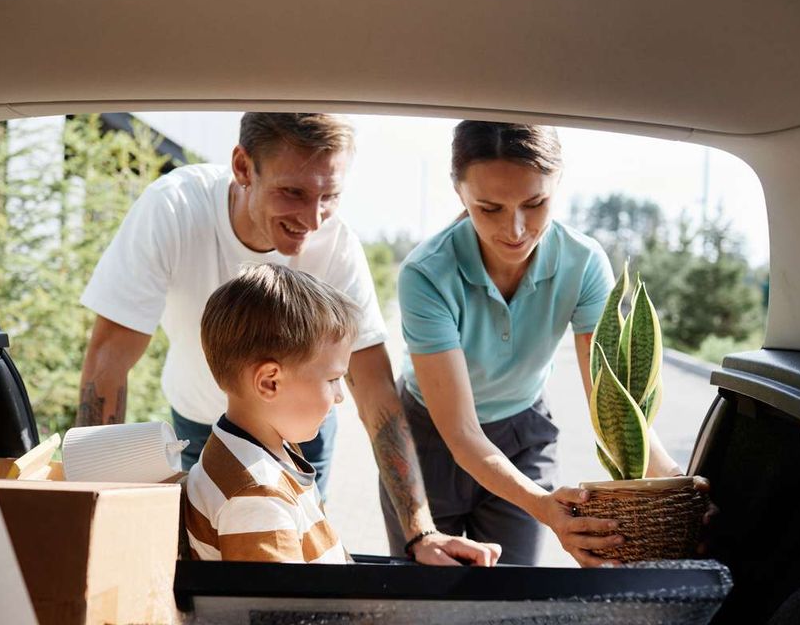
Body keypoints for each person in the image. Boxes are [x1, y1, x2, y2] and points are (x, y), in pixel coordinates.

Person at [78, 112, 497, 566]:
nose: (313, 219)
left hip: (302, 422)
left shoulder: (335, 245)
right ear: (243, 167)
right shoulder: (174, 209)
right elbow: (109, 360)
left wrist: (421, 533)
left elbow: (374, 390)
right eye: (293, 192)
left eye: (330, 196)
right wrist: (87, 517)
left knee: (303, 539)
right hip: (198, 420)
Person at [382, 121, 685, 567]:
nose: (516, 230)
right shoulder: (425, 274)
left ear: (557, 183)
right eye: (489, 208)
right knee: (430, 595)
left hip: (523, 435)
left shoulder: (583, 264)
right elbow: (462, 433)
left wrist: (678, 486)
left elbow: (614, 405)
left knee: (516, 593)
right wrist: (545, 507)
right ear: (459, 191)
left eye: (536, 203)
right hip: (430, 440)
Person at [184, 264, 357, 563]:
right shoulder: (257, 497)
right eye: (332, 379)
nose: (340, 395)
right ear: (269, 382)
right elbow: (278, 608)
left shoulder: (262, 451)